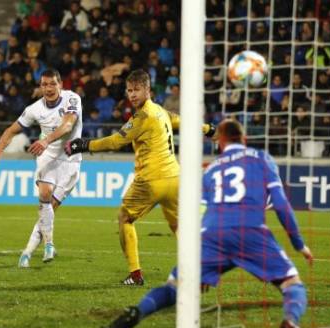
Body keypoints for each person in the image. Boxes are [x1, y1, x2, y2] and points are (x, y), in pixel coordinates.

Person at [100, 120, 315, 328]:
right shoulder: (262, 159)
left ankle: (137, 311)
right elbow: (281, 205)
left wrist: (198, 261)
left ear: (220, 143)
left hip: (212, 235)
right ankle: (290, 321)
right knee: (291, 283)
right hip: (251, 233)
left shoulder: (211, 169)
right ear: (244, 140)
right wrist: (299, 244)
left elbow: (198, 212)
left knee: (174, 286)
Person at [65, 69, 216, 285]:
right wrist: (208, 128)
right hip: (175, 178)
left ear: (148, 90)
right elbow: (182, 121)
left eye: (137, 90)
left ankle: (135, 274)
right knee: (179, 226)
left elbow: (116, 141)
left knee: (125, 219)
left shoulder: (142, 117)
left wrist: (84, 145)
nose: (132, 95)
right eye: (129, 90)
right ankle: (200, 268)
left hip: (151, 180)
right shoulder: (161, 112)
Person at [0, 69, 83, 268]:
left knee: (51, 208)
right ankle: (46, 245)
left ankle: (29, 250)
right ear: (40, 87)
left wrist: (45, 140)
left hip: (71, 159)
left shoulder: (72, 99)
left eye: (53, 84)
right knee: (44, 194)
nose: (49, 88)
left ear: (60, 84)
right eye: (44, 84)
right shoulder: (34, 109)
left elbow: (67, 127)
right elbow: (10, 131)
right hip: (48, 156)